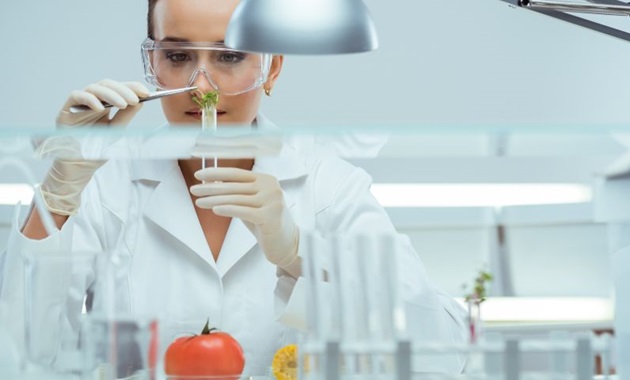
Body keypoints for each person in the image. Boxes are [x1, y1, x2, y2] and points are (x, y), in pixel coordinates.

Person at [0, 0, 467, 376]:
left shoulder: (330, 187)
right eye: (178, 56)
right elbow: (18, 353)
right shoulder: (106, 183)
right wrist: (61, 191)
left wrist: (302, 253)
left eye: (229, 56)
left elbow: (441, 350)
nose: (201, 86)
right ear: (153, 64)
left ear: (273, 68)